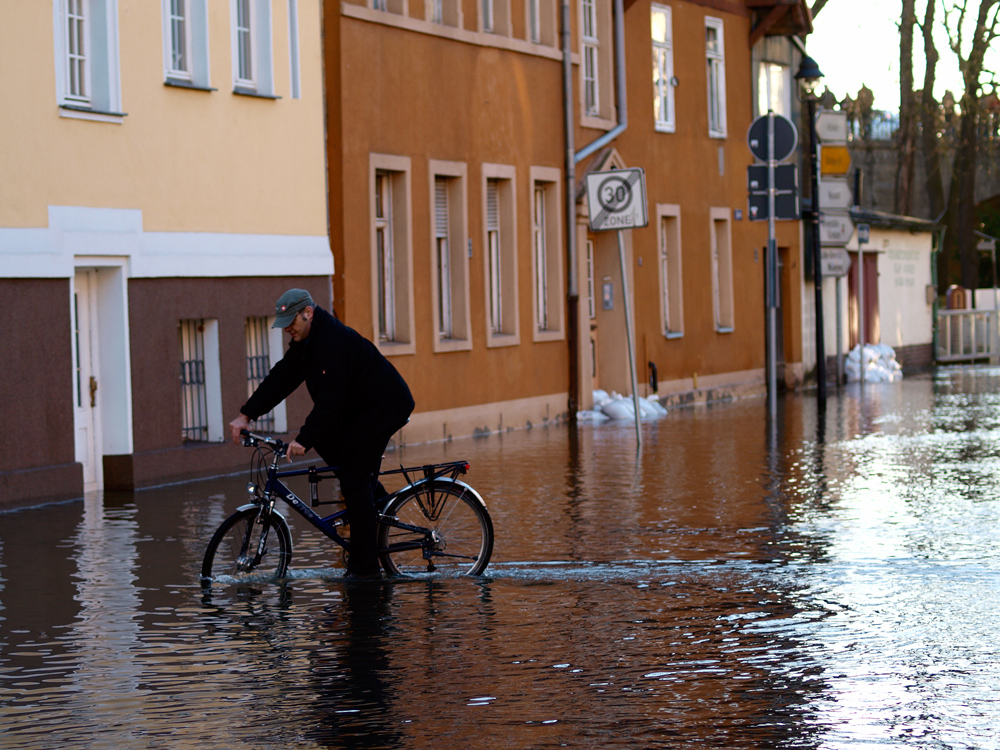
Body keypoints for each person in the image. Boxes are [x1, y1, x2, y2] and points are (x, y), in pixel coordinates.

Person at [229, 288, 414, 579]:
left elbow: (331, 402)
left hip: (384, 408)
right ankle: (378, 505)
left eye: (292, 321)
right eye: (284, 324)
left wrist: (304, 438)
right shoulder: (306, 342)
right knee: (339, 455)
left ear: (309, 313)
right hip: (359, 409)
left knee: (354, 479)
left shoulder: (332, 342)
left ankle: (366, 570)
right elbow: (281, 378)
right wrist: (246, 414)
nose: (288, 328)